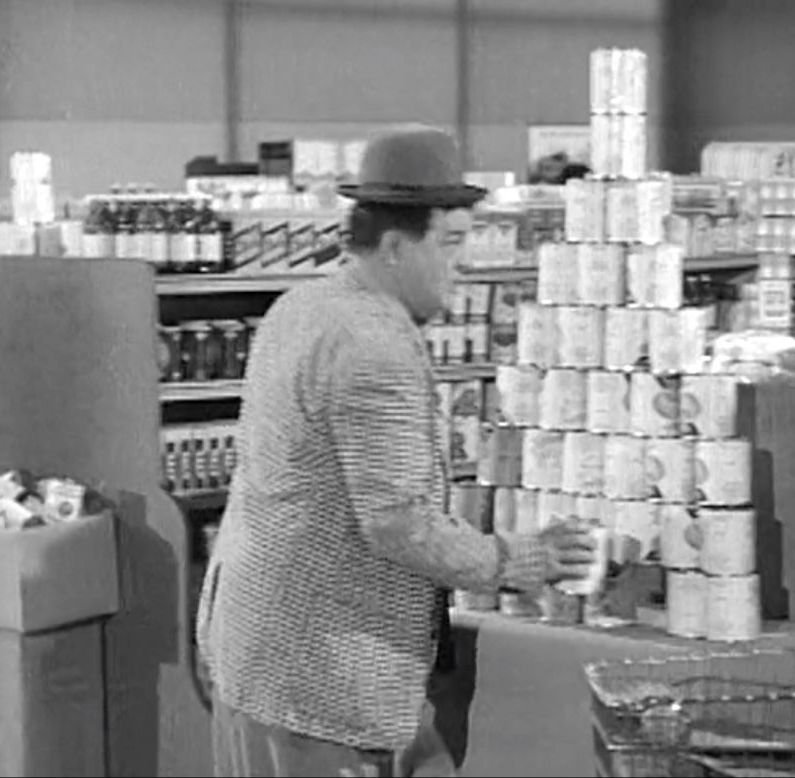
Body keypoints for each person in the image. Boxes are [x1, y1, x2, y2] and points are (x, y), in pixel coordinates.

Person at [195, 126, 596, 777]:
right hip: (318, 677)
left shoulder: (301, 305)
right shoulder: (374, 342)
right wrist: (520, 559)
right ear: (393, 247)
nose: (461, 268)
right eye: (452, 244)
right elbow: (398, 522)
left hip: (253, 646)